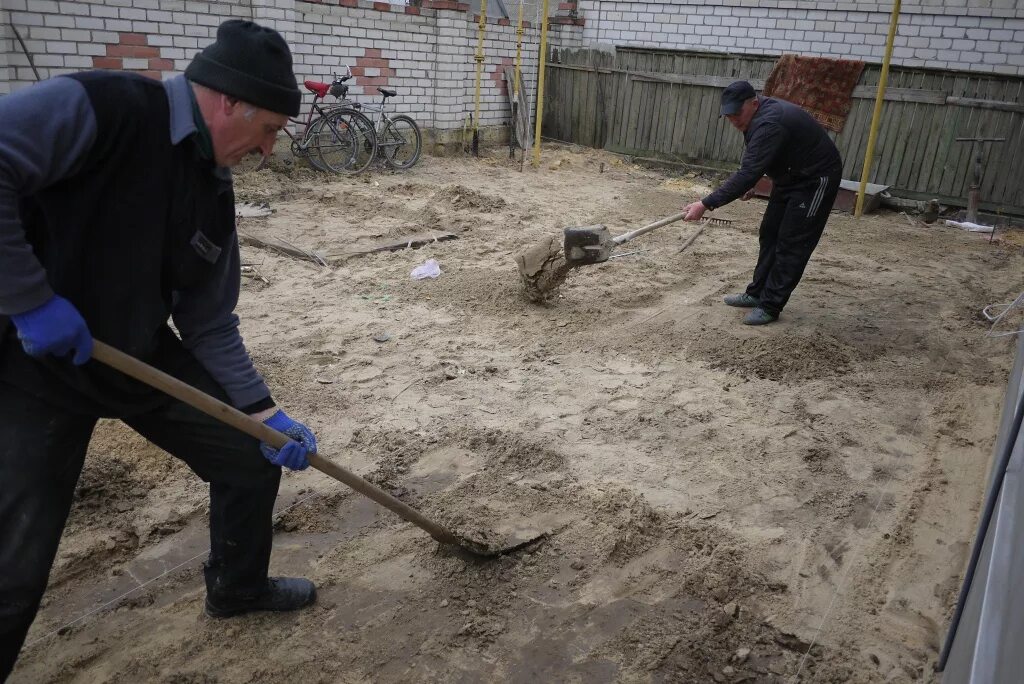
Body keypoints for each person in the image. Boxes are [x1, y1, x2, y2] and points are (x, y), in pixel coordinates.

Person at [0, 20, 319, 679]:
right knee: (13, 564)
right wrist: (29, 298)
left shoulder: (213, 192)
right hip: (29, 362)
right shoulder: (103, 108)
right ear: (229, 102)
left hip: (133, 354)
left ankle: (238, 590)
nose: (265, 152)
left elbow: (207, 321)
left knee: (247, 459)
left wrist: (261, 412)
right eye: (267, 132)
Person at [682, 80, 843, 325]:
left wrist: (705, 204)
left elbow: (748, 171)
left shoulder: (769, 123)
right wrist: (752, 183)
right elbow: (761, 160)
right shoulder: (756, 119)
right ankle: (756, 293)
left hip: (814, 179)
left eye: (737, 114)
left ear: (753, 104)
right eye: (728, 115)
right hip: (790, 176)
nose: (733, 120)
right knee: (770, 233)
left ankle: (770, 305)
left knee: (792, 243)